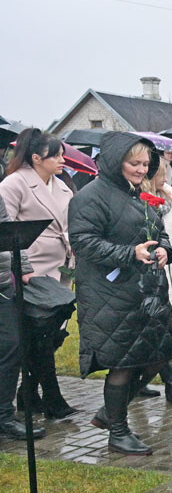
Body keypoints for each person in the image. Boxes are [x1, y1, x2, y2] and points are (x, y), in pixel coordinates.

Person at [70, 132, 172, 455]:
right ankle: (117, 432)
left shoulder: (137, 194)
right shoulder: (90, 197)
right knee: (123, 363)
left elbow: (157, 232)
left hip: (145, 292)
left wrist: (165, 250)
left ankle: (109, 413)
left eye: (146, 164)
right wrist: (129, 253)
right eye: (135, 163)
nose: (142, 169)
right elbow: (83, 242)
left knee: (156, 356)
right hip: (109, 292)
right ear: (116, 162)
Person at [0, 128, 77, 419]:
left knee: (51, 335)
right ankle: (51, 397)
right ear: (36, 158)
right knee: (38, 336)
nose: (62, 160)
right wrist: (19, 269)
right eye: (55, 155)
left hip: (60, 269)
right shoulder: (15, 184)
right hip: (29, 270)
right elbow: (6, 229)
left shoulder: (63, 187)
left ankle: (29, 393)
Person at [136, 159, 172, 404]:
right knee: (156, 329)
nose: (166, 179)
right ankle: (169, 383)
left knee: (161, 329)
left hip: (167, 271)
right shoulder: (139, 202)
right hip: (147, 276)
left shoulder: (167, 203)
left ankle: (146, 381)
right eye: (161, 175)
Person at [0, 193, 43, 440]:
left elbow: (9, 230)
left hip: (3, 284)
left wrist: (25, 268)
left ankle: (5, 416)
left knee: (11, 346)